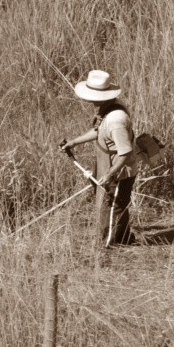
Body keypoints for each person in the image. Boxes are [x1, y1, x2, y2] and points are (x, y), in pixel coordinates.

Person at [60, 70, 138, 246]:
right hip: (109, 164)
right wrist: (74, 142)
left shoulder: (116, 120)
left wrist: (110, 174)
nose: (88, 99)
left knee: (114, 206)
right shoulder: (109, 108)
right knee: (116, 204)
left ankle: (107, 244)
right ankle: (123, 237)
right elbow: (99, 130)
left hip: (120, 170)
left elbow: (124, 152)